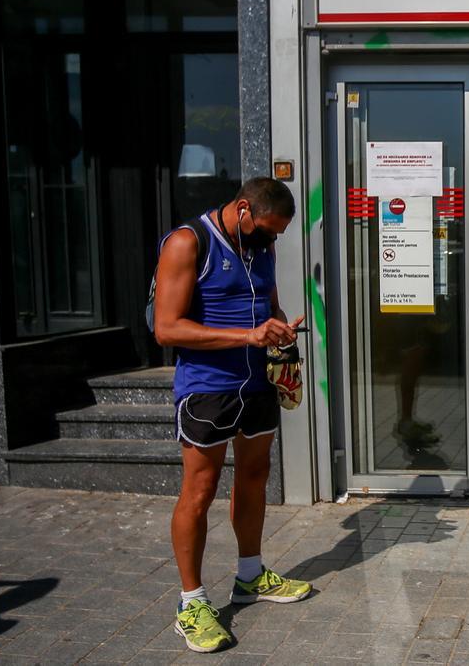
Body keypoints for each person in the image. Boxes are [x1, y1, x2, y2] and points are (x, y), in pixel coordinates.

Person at [153, 177, 312, 653]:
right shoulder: (188, 242)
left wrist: (279, 330)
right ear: (243, 209)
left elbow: (268, 305)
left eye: (279, 234)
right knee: (199, 490)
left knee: (255, 476)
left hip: (257, 384)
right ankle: (191, 602)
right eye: (267, 231)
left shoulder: (261, 247)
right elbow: (166, 328)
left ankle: (250, 574)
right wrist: (246, 336)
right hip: (207, 388)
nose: (272, 240)